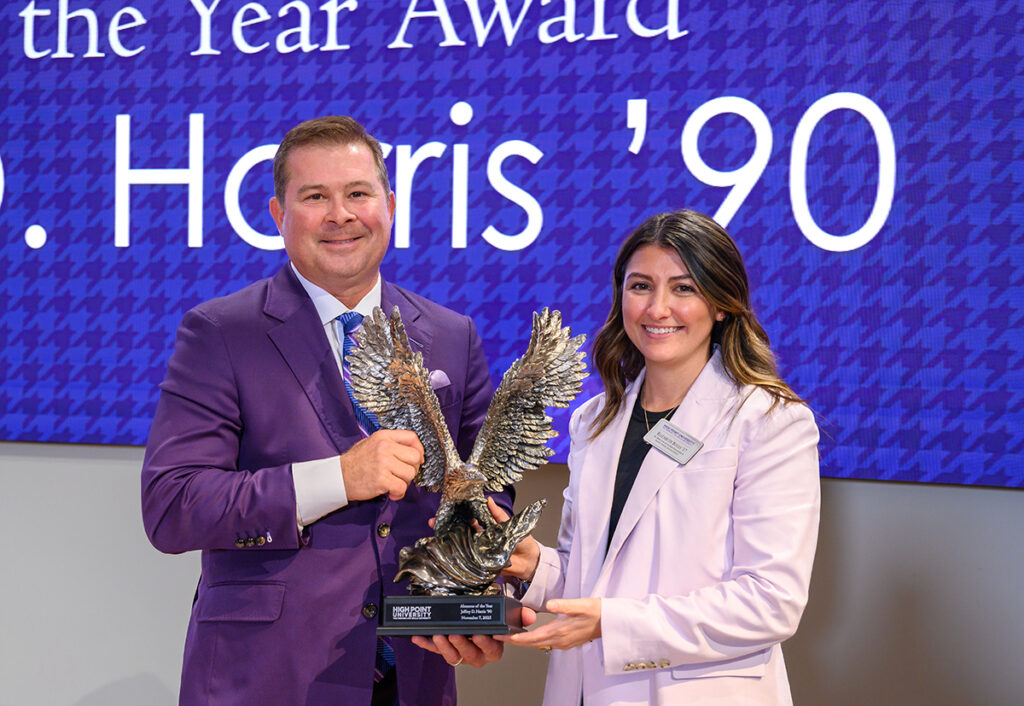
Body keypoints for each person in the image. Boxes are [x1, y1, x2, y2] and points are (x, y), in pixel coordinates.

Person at [141, 116, 507, 706]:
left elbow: (487, 488)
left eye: (358, 194)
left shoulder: (450, 335)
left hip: (416, 672)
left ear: (389, 204)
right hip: (268, 677)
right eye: (315, 197)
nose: (341, 214)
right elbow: (174, 505)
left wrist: (471, 568)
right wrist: (338, 477)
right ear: (278, 215)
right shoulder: (220, 333)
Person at [495, 210, 821, 705]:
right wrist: (533, 566)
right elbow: (593, 574)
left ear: (722, 305)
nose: (658, 308)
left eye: (684, 288)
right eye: (641, 286)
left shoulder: (769, 421)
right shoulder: (594, 420)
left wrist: (613, 623)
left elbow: (770, 602)